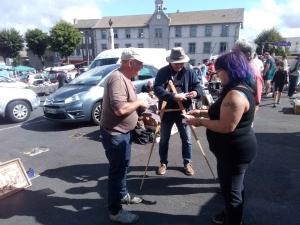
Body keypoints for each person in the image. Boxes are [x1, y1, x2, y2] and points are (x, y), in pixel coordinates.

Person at [185, 51, 258, 225]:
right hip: (234, 150)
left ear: (229, 70)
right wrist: (202, 111)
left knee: (232, 191)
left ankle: (233, 220)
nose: (217, 74)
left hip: (233, 152)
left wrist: (200, 121)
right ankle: (230, 214)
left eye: (219, 71)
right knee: (234, 187)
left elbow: (226, 126)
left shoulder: (235, 94)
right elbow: (223, 112)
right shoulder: (241, 88)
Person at [99, 48, 149, 224]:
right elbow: (120, 109)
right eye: (140, 63)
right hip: (115, 134)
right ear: (129, 62)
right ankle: (115, 211)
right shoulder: (117, 79)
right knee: (117, 172)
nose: (142, 67)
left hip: (122, 133)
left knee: (123, 168)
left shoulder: (125, 78)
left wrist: (142, 107)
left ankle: (123, 195)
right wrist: (140, 102)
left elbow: (127, 105)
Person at [153, 47, 202, 176]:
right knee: (163, 139)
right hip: (166, 112)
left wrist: (196, 92)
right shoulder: (162, 72)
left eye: (181, 63)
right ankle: (163, 162)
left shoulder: (189, 72)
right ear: (171, 62)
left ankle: (187, 162)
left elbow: (198, 86)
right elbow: (157, 89)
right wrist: (173, 96)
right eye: (177, 63)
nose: (180, 65)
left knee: (186, 138)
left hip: (184, 111)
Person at [233, 39, 263, 113]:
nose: (232, 54)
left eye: (235, 52)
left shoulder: (254, 74)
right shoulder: (235, 69)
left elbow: (256, 103)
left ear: (247, 54)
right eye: (232, 51)